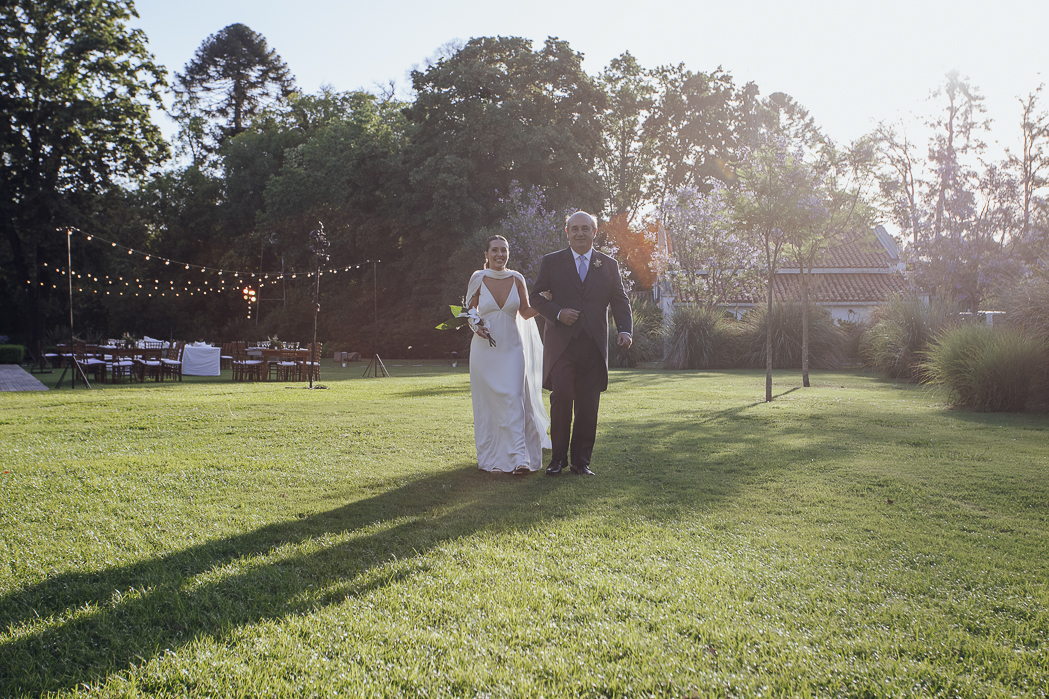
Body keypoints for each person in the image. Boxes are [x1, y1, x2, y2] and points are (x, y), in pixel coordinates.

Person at [529, 211, 632, 476]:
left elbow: (620, 301)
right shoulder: (551, 262)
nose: (580, 233)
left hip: (593, 347)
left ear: (594, 232)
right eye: (574, 229)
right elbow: (536, 298)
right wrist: (558, 312)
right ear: (567, 232)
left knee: (588, 405)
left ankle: (581, 462)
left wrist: (625, 330)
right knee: (561, 397)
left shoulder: (608, 265)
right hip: (562, 345)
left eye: (585, 228)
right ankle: (557, 461)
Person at [467, 235, 551, 474]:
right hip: (485, 351)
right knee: (491, 404)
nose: (499, 255)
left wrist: (545, 303)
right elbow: (469, 310)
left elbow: (525, 312)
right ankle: (494, 459)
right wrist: (477, 326)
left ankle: (519, 458)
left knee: (514, 397)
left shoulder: (517, 279)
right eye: (495, 250)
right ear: (486, 254)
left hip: (513, 348)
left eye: (504, 250)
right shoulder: (478, 278)